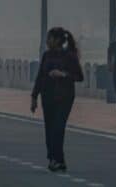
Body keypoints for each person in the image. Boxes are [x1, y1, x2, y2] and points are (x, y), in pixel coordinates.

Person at [32, 27, 84, 172]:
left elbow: (79, 77)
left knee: (58, 128)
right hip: (47, 96)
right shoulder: (47, 55)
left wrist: (63, 74)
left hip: (64, 97)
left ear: (57, 40)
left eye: (49, 38)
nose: (47, 41)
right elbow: (40, 76)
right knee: (49, 128)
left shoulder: (69, 56)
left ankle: (55, 159)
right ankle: (56, 159)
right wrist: (34, 96)